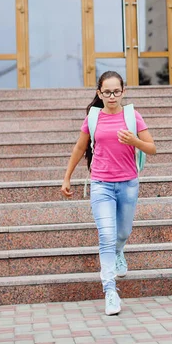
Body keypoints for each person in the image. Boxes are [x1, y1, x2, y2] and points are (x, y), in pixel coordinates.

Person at [61, 71, 156, 315]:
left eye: (116, 91)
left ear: (123, 92)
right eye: (107, 92)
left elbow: (152, 148)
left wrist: (134, 141)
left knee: (122, 232)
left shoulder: (132, 116)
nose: (112, 96)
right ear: (99, 93)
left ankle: (119, 250)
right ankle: (110, 290)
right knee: (106, 235)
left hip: (128, 184)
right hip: (101, 184)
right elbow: (80, 147)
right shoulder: (93, 118)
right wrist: (67, 177)